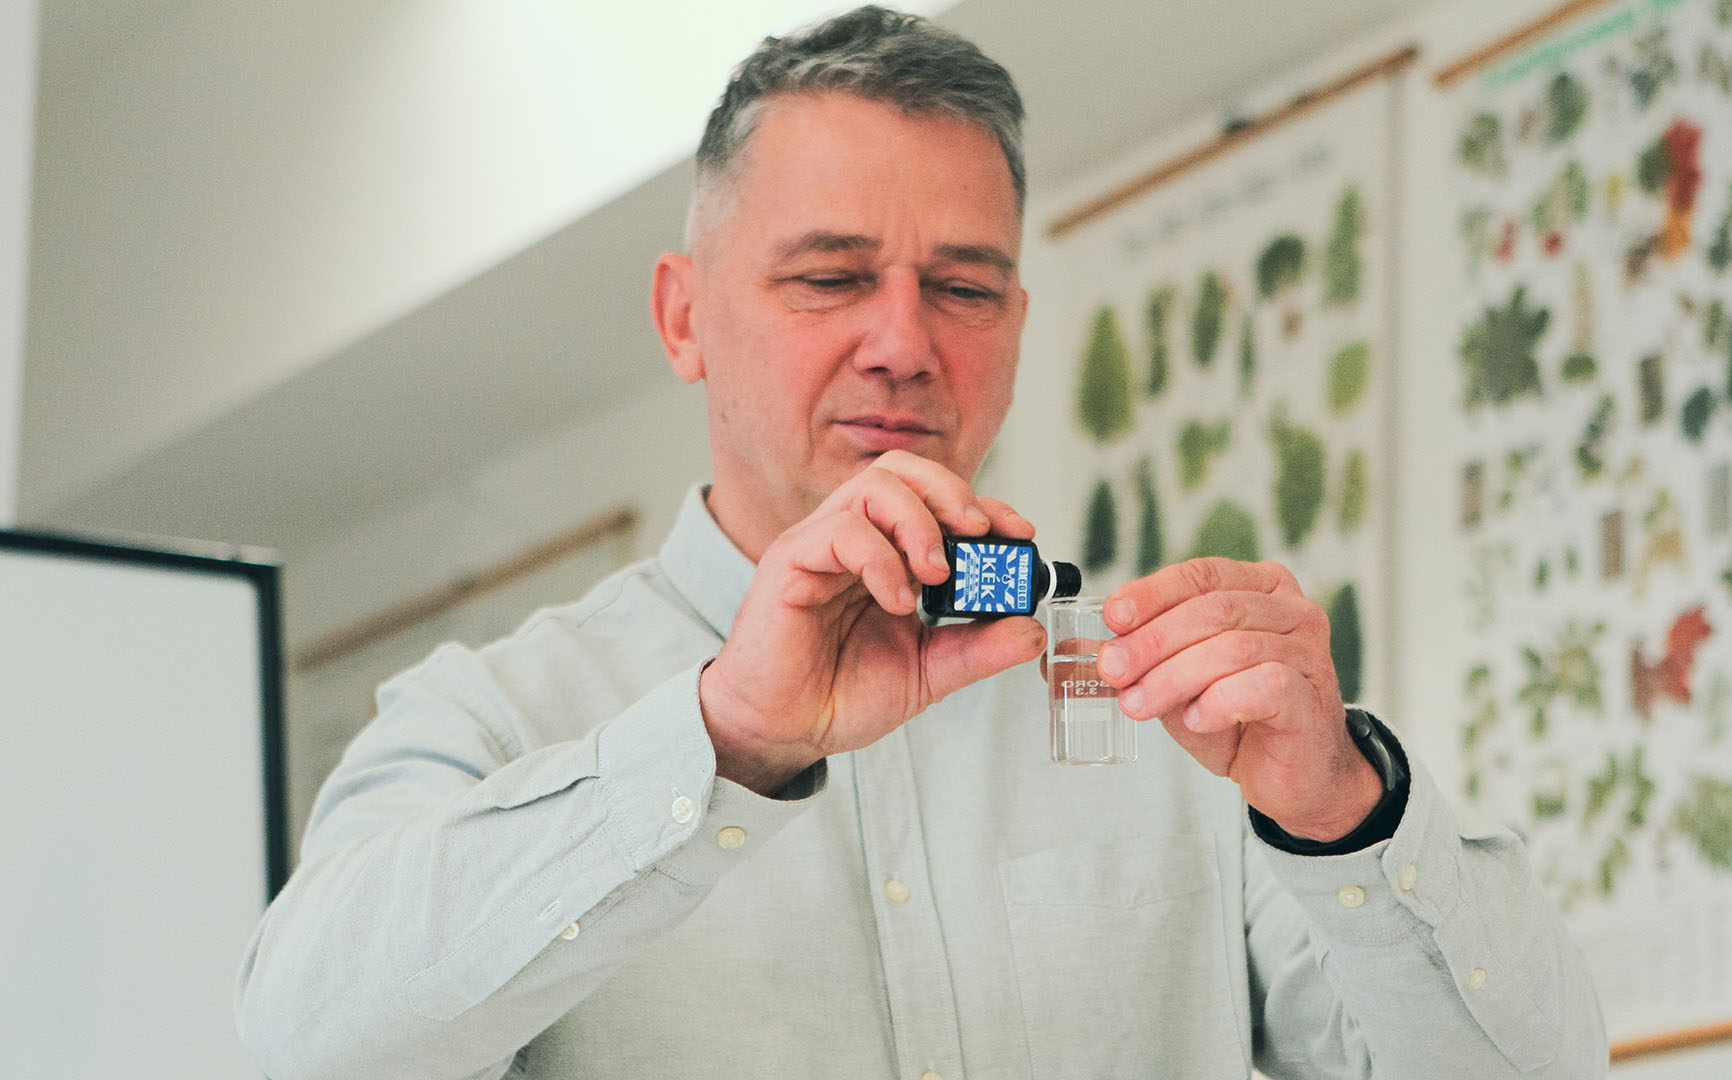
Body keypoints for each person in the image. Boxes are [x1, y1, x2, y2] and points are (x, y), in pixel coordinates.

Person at [235, 7, 1607, 1078]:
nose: (903, 343)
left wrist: (1344, 814)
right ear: (684, 318)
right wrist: (721, 741)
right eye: (831, 277)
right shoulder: (489, 718)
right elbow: (305, 1047)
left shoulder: (1175, 717)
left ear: (1016, 325)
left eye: (963, 286)